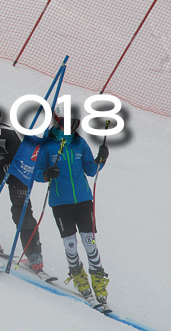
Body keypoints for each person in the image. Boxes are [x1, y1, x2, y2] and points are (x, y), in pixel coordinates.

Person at [33, 106, 110, 303]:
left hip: (83, 200)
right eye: (66, 123)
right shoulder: (48, 145)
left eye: (74, 123)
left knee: (89, 242)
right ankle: (78, 276)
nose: (71, 127)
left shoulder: (79, 143)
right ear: (57, 121)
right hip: (60, 203)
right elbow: (37, 173)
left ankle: (98, 278)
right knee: (70, 243)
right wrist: (46, 174)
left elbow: (91, 170)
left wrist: (101, 159)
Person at [0, 123, 45, 272]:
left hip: (17, 167)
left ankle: (34, 253)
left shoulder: (6, 138)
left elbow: (20, 163)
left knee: (21, 211)